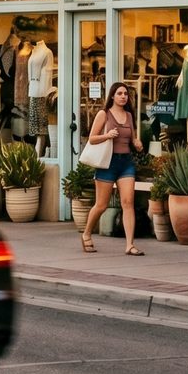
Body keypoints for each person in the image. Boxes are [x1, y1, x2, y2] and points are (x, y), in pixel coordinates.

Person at [80, 81, 146, 255]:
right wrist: (107, 135)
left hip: (126, 163)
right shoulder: (104, 114)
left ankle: (130, 245)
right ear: (112, 96)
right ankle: (87, 233)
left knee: (128, 203)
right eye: (119, 93)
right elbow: (92, 139)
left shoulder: (129, 116)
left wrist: (137, 144)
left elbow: (132, 140)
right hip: (107, 163)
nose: (123, 96)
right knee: (101, 205)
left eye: (125, 94)